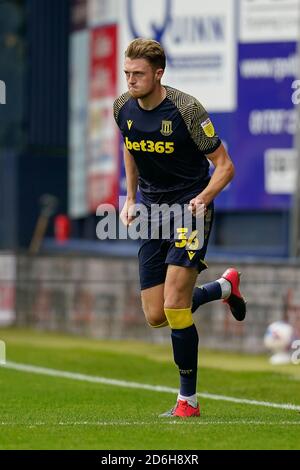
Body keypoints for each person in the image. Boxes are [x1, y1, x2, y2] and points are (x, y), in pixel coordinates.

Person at [113, 38, 246, 418]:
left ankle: (187, 401)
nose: (130, 81)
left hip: (190, 210)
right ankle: (223, 287)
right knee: (156, 314)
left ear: (159, 74)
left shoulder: (187, 109)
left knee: (174, 305)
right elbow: (130, 144)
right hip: (153, 211)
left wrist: (203, 198)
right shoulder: (122, 107)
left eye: (137, 74)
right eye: (126, 73)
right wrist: (130, 197)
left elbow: (226, 166)